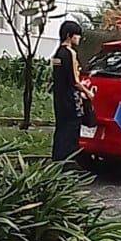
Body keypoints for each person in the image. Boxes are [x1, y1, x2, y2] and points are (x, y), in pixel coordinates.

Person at [51, 20, 94, 162]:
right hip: (70, 99)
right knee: (71, 131)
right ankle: (67, 162)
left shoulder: (57, 53)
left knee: (60, 129)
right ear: (69, 36)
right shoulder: (70, 53)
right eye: (77, 35)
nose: (79, 38)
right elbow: (74, 80)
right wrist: (87, 93)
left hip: (59, 97)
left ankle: (56, 160)